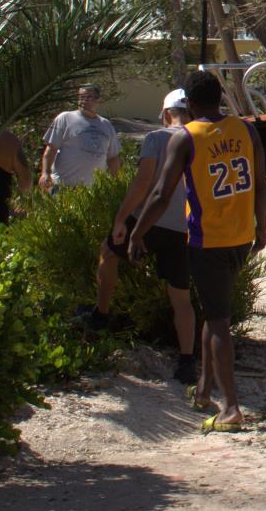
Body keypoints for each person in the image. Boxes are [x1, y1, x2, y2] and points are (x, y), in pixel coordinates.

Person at [131, 70, 266, 432]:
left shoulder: (186, 137)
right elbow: (260, 184)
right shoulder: (246, 130)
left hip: (208, 239)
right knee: (213, 310)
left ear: (189, 103)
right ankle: (205, 390)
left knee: (219, 319)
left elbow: (161, 194)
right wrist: (262, 229)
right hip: (240, 236)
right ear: (220, 96)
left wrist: (137, 233)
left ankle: (231, 408)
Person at [75, 92, 199, 384]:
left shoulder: (157, 138)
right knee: (181, 296)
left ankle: (101, 313)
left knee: (107, 251)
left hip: (149, 219)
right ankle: (187, 361)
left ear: (166, 113)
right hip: (186, 227)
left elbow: (144, 182)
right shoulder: (201, 138)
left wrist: (121, 219)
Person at [39, 83, 122, 191]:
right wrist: (45, 173)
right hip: (63, 187)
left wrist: (115, 183)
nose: (83, 101)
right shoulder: (65, 118)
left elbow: (113, 158)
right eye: (81, 97)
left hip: (92, 191)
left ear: (98, 101)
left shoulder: (106, 125)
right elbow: (51, 149)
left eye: (88, 97)